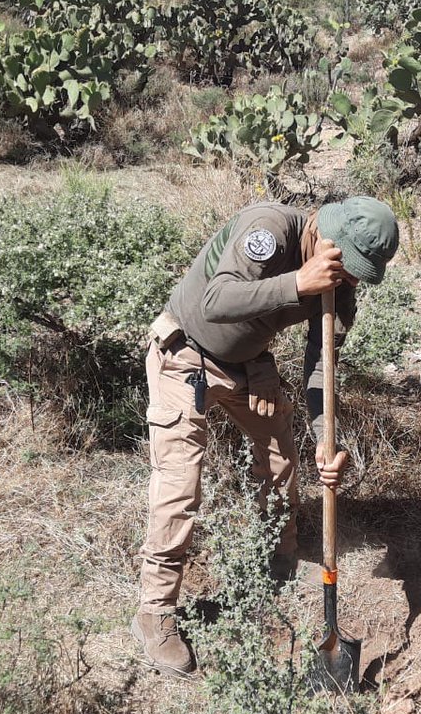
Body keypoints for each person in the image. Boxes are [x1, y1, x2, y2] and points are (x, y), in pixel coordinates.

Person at [131, 196, 400, 676]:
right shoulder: (269, 230)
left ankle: (279, 558)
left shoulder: (340, 283)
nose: (351, 281)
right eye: (348, 267)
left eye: (361, 273)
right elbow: (216, 301)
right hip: (184, 355)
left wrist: (325, 437)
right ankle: (155, 611)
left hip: (249, 366)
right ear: (325, 234)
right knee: (179, 485)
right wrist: (297, 283)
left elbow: (322, 364)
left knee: (281, 458)